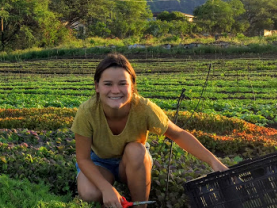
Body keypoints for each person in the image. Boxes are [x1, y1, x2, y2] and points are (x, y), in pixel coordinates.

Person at [71, 53, 228, 208]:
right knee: (89, 193)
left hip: (133, 162)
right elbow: (83, 159)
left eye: (122, 83)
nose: (115, 90)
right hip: (100, 162)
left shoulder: (144, 108)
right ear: (97, 86)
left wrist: (213, 161)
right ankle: (113, 199)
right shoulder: (87, 112)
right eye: (108, 84)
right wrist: (106, 189)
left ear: (132, 86)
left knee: (136, 150)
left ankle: (140, 206)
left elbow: (178, 134)